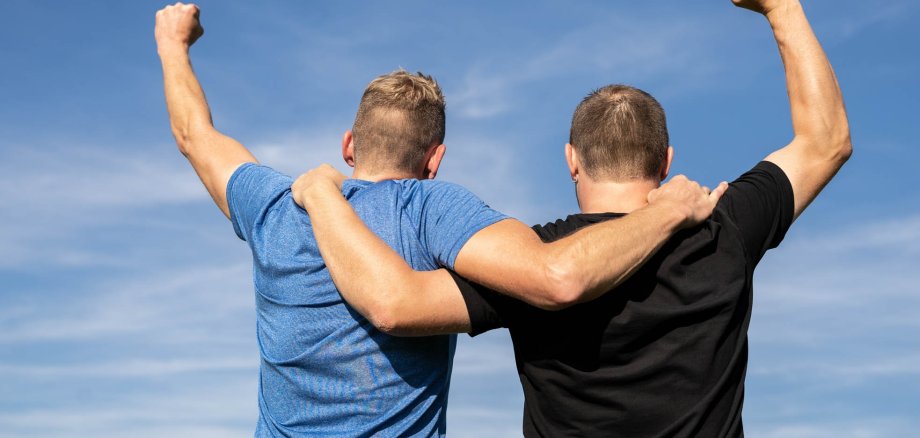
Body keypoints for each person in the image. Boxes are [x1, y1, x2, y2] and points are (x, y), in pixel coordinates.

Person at [154, 2, 727, 436]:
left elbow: (194, 136)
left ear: (350, 144)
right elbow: (555, 273)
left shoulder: (276, 204)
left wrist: (172, 44)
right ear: (435, 158)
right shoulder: (435, 209)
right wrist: (671, 210)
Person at [291, 0, 851, 436]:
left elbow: (395, 302)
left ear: (571, 159)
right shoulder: (721, 227)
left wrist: (323, 195)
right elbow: (825, 142)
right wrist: (782, 9)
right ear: (665, 161)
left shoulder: (528, 265)